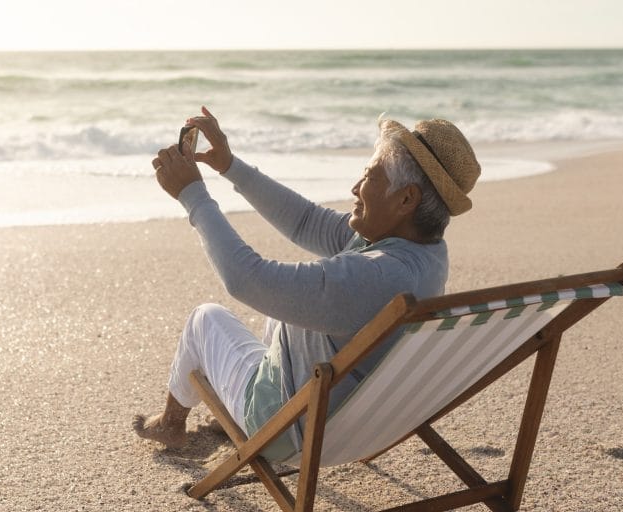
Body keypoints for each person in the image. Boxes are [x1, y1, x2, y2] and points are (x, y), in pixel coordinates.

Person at [133, 106, 480, 461]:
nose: (355, 188)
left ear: (407, 199)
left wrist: (193, 196)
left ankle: (171, 424)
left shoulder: (375, 276)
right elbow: (306, 221)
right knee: (284, 312)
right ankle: (229, 400)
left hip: (292, 432)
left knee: (204, 321)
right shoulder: (422, 252)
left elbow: (246, 279)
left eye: (370, 178)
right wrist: (229, 166)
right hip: (354, 425)